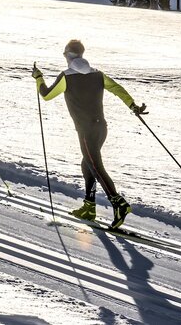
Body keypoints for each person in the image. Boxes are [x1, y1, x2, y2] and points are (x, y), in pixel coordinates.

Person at [31, 40, 147, 229]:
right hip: (101, 129)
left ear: (68, 56)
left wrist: (38, 77)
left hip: (86, 132)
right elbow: (117, 88)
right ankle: (89, 207)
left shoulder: (67, 76)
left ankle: (119, 204)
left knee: (95, 165)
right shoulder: (97, 74)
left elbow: (46, 95)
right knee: (88, 164)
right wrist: (132, 105)